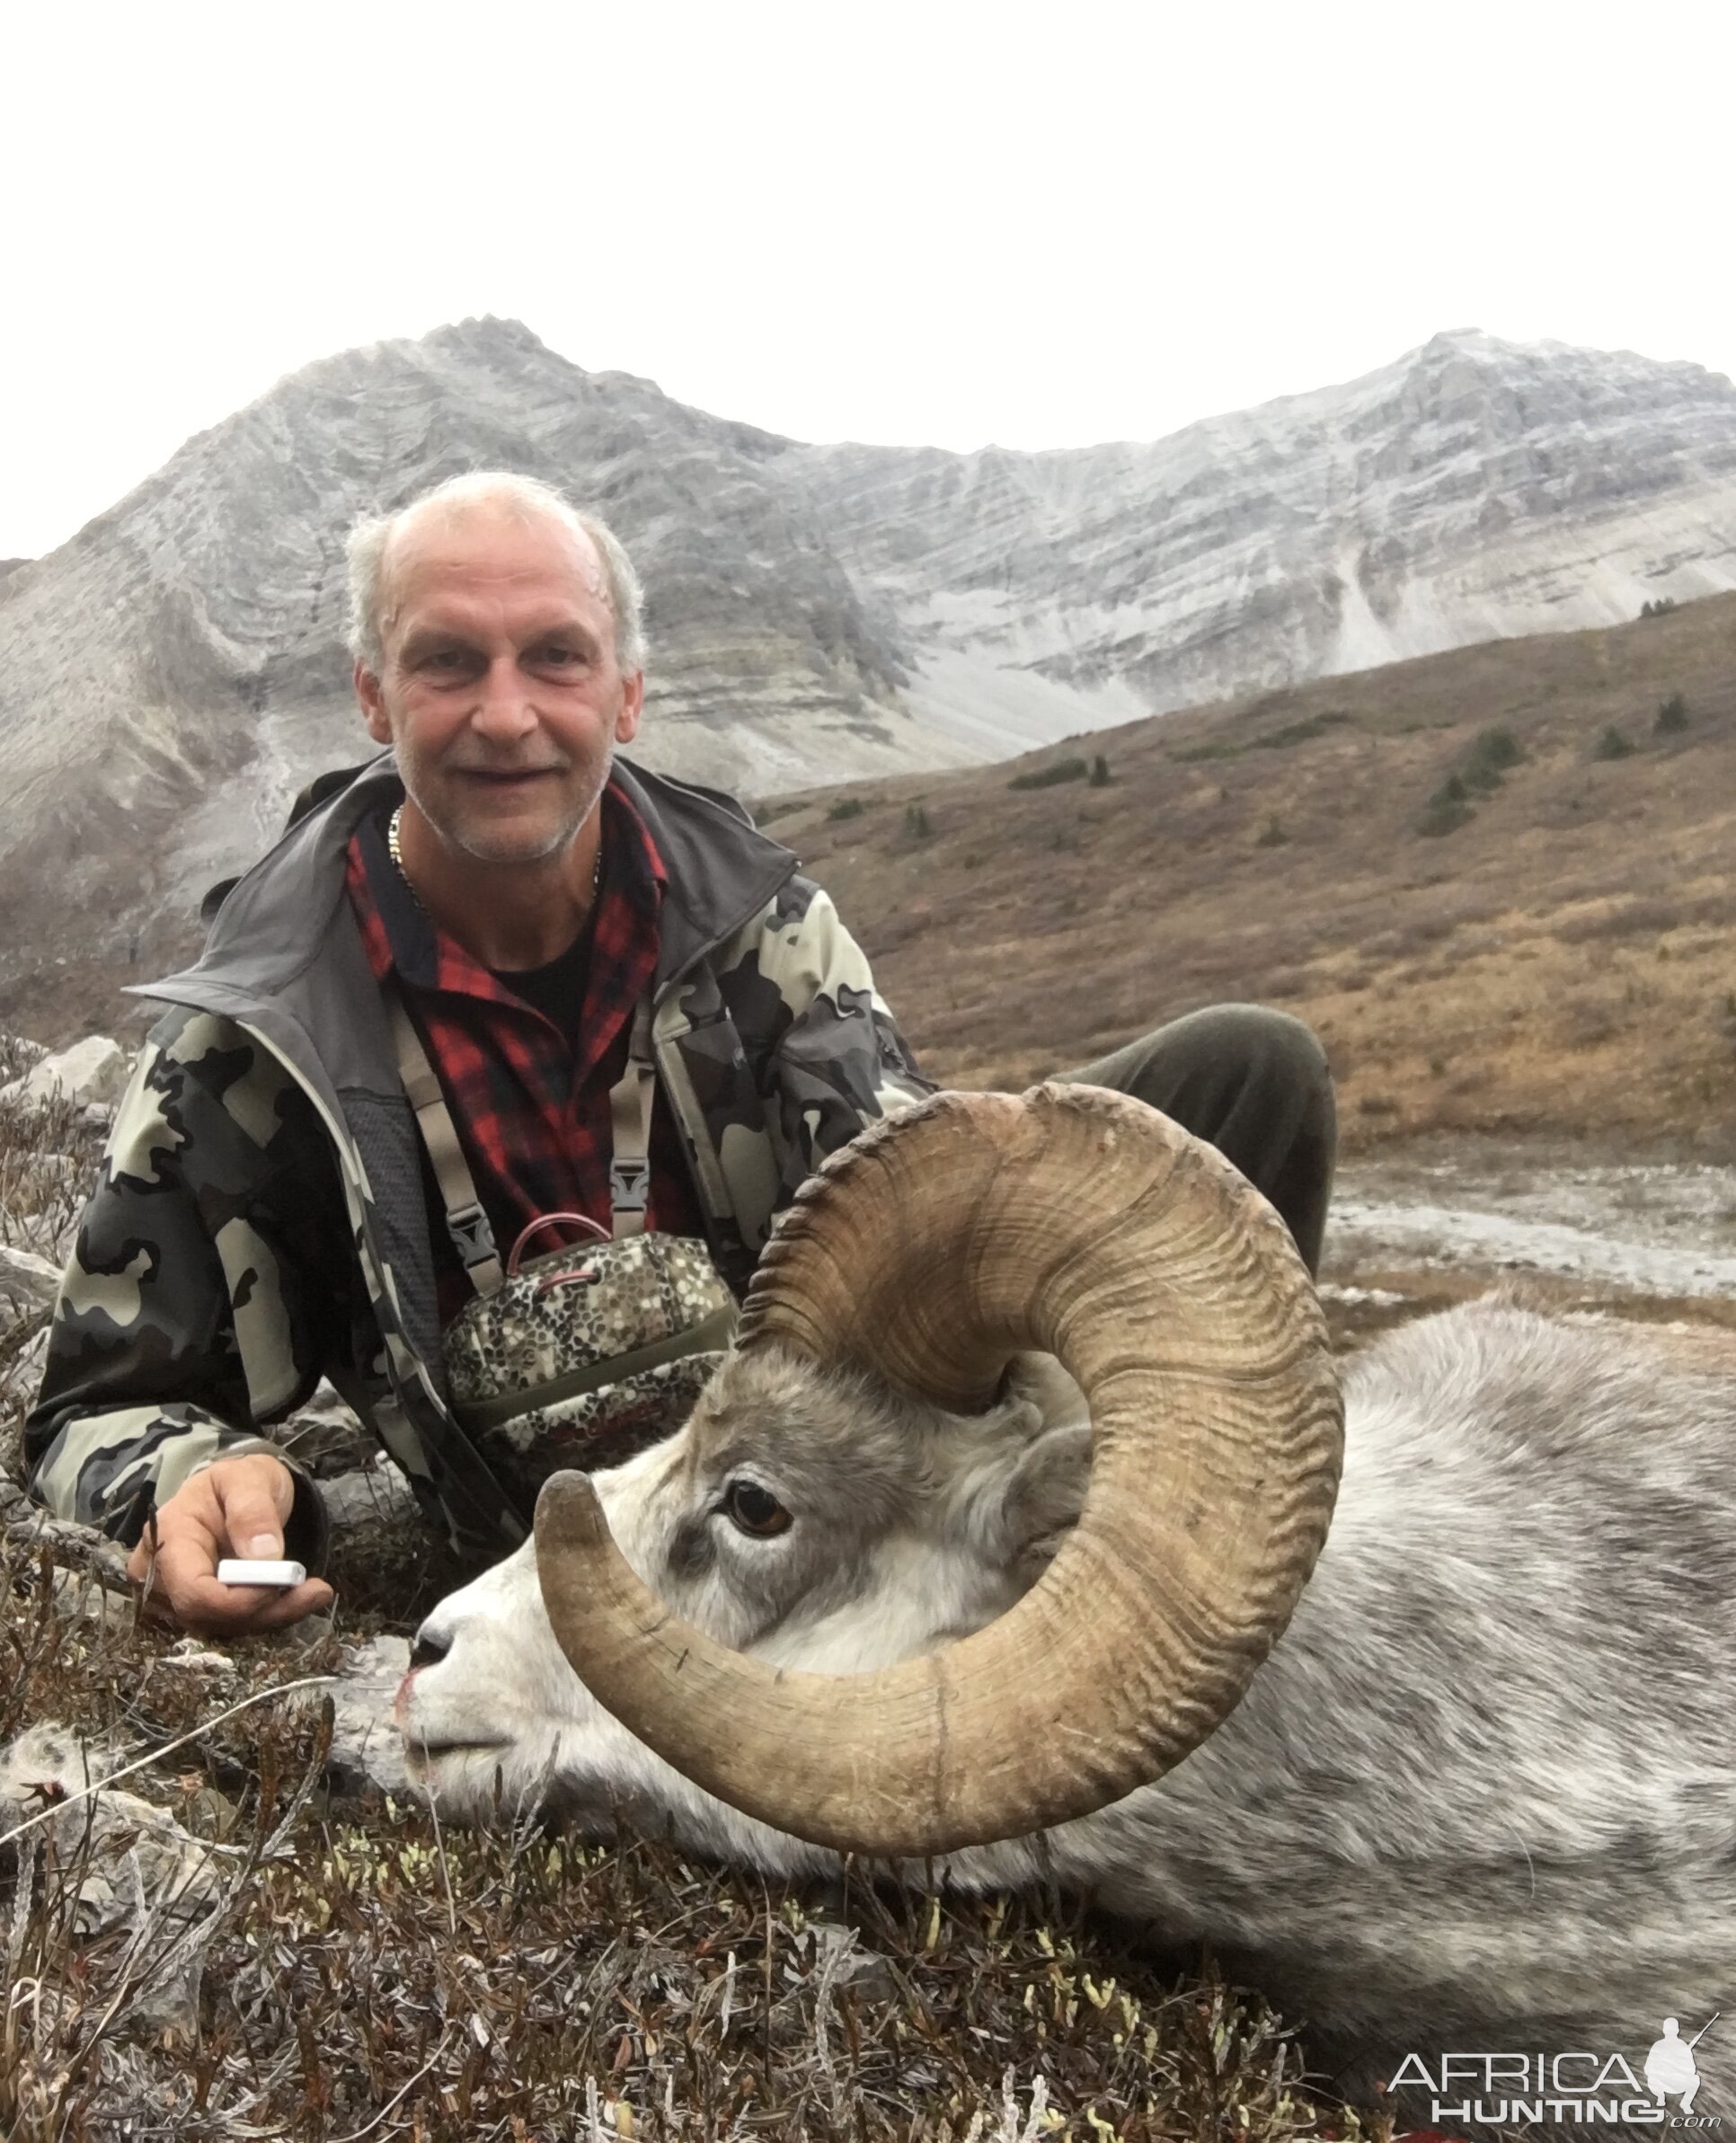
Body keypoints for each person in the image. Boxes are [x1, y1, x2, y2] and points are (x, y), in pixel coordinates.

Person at [25, 472, 1335, 1638]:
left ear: (628, 694)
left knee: (1248, 1075)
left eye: (556, 657)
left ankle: (1180, 1564)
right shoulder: (256, 1033)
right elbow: (92, 1408)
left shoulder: (762, 929)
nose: (506, 713)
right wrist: (197, 1484)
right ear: (372, 695)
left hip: (814, 1505)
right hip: (531, 1562)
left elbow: (907, 1203)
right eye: (446, 663)